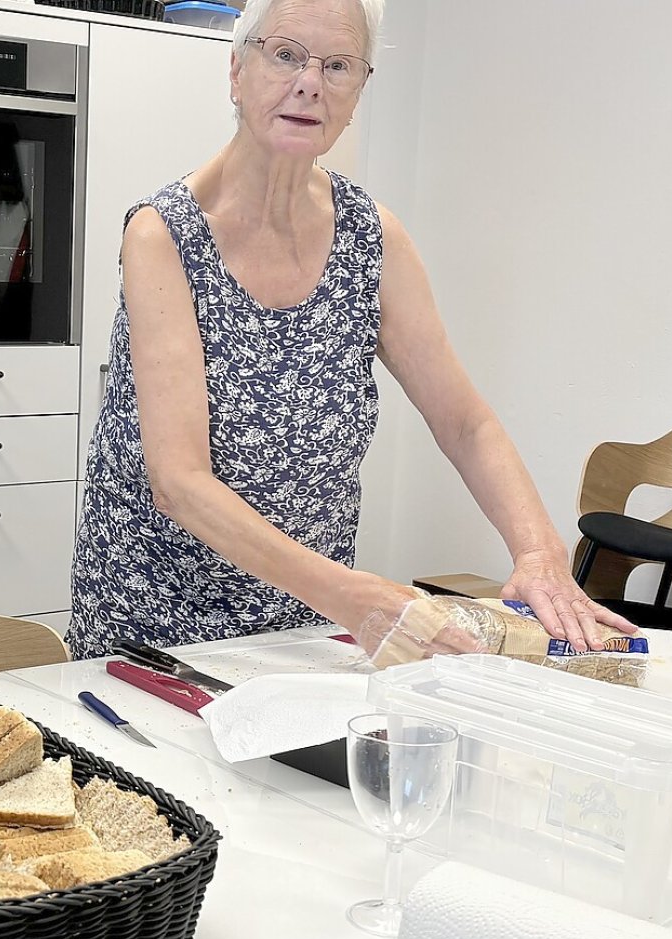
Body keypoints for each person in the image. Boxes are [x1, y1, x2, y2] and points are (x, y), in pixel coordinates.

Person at [67, 0, 634, 660]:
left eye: (338, 65)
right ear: (236, 72)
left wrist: (539, 550)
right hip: (155, 632)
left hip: (303, 629)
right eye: (285, 55)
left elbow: (465, 423)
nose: (309, 81)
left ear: (358, 89)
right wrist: (353, 597)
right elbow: (180, 482)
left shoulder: (372, 238)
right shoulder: (163, 235)